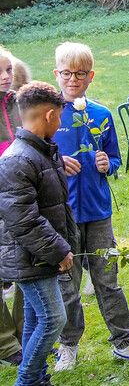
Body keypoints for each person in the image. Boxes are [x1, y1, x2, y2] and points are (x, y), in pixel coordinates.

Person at [52, 42, 129, 371]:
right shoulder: (50, 114)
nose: (74, 79)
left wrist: (108, 163)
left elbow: (115, 157)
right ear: (56, 74)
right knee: (67, 285)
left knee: (108, 280)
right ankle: (68, 346)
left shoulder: (101, 114)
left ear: (91, 76)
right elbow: (37, 162)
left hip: (99, 213)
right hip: (65, 214)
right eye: (67, 73)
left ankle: (125, 343)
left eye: (81, 74)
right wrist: (59, 164)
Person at [0, 81, 76, 386]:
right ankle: (28, 379)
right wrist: (59, 250)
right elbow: (24, 221)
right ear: (48, 115)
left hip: (39, 253)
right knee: (54, 319)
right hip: (30, 256)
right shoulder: (18, 159)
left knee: (34, 318)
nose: (59, 123)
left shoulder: (42, 151)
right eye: (58, 116)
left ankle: (38, 378)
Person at [0, 47, 25, 367]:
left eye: (8, 70)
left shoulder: (19, 103)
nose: (6, 77)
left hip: (19, 201)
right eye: (0, 72)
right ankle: (5, 344)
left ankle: (22, 334)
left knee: (25, 269)